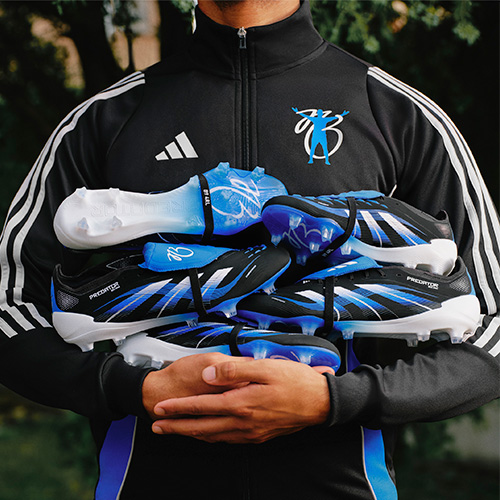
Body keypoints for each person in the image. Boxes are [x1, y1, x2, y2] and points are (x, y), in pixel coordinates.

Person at [0, 0, 498, 498]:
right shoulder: (104, 119)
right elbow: (9, 307)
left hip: (341, 482)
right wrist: (133, 387)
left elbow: (492, 326)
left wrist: (336, 398)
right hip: (147, 478)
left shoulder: (398, 114)